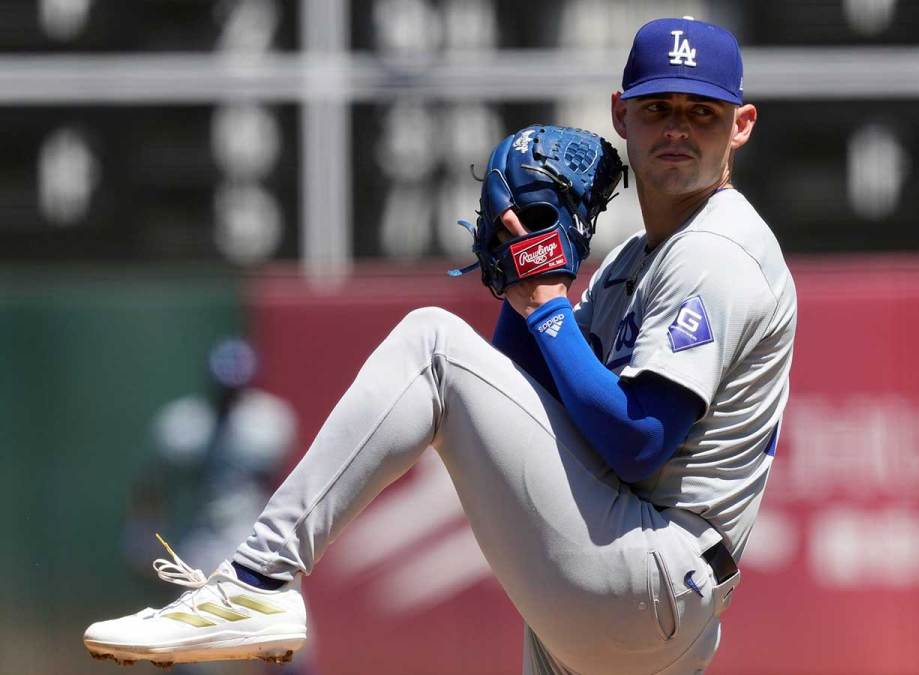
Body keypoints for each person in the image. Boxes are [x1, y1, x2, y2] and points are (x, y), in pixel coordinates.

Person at [84, 16, 795, 674]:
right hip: (641, 587)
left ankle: (255, 580)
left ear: (742, 125)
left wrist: (548, 306)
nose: (678, 128)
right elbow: (521, 401)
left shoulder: (716, 250)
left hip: (649, 572)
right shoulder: (635, 260)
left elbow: (638, 436)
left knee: (431, 345)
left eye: (701, 112)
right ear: (620, 115)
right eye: (658, 108)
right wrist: (525, 284)